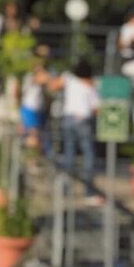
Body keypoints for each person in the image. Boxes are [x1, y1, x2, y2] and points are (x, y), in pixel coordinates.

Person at [50, 58, 102, 204]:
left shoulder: (69, 79)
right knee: (89, 155)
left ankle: (65, 188)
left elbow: (54, 85)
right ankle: (89, 191)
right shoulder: (91, 86)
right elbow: (97, 109)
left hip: (68, 118)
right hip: (83, 120)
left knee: (69, 153)